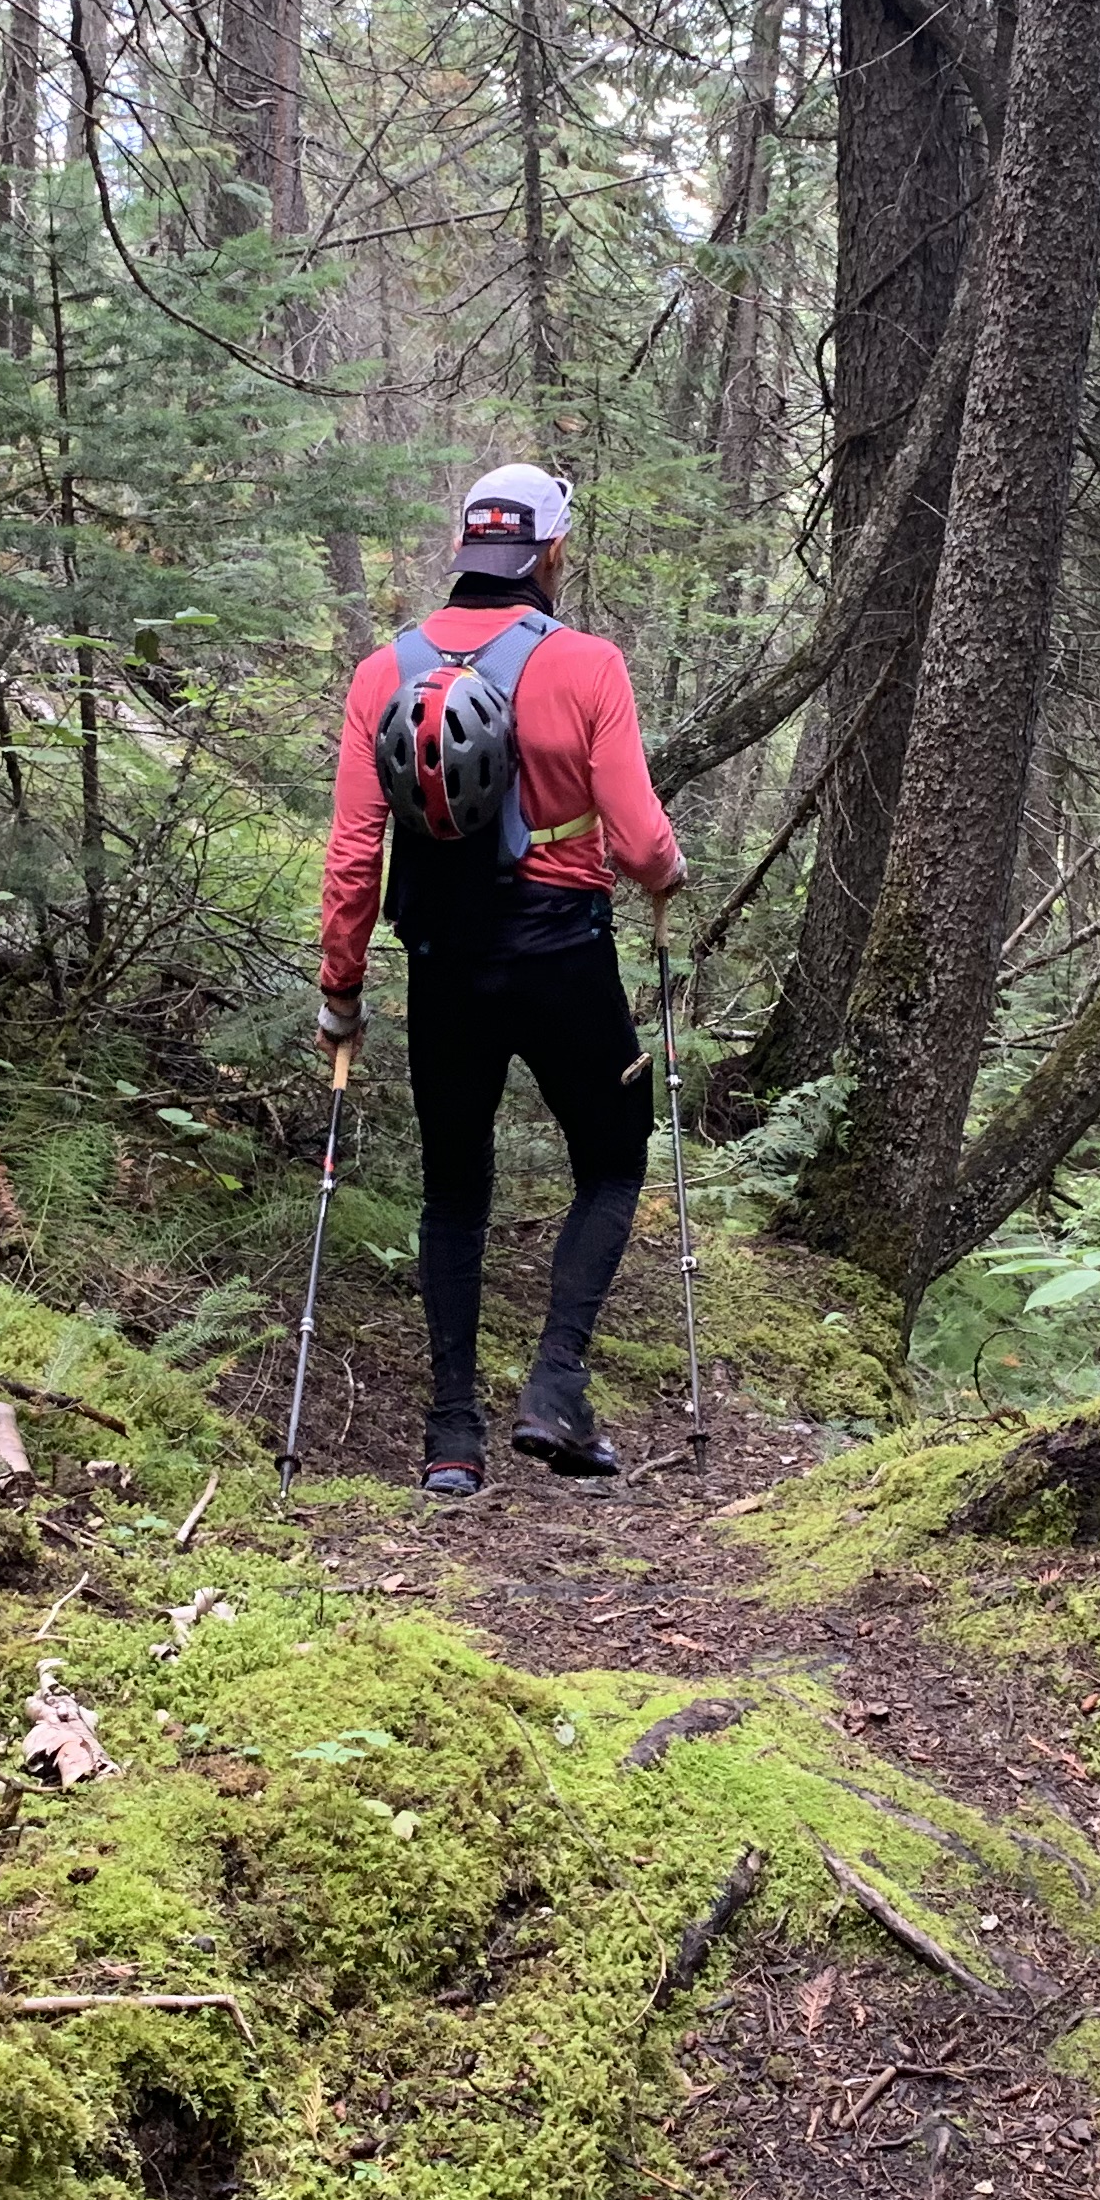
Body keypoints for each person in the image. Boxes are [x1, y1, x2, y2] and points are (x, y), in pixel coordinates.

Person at [318, 464, 685, 1495]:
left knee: (454, 1192)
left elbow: (354, 855)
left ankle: (451, 1438)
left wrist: (340, 992)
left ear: (465, 550)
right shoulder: (589, 666)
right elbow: (643, 840)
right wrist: (666, 873)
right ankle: (555, 1387)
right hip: (566, 956)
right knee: (612, 1166)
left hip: (442, 965)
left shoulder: (380, 672)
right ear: (552, 552)